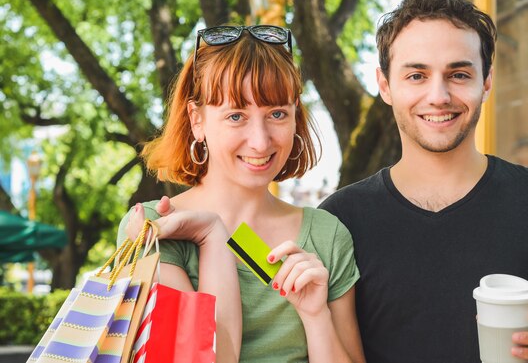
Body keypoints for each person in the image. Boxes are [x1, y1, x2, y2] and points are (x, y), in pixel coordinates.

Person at [319, 0, 528, 362]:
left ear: (486, 81)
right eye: (416, 75)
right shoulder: (340, 220)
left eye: (459, 74)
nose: (439, 96)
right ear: (385, 85)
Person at [117, 25, 365, 363]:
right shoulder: (153, 229)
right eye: (236, 116)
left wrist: (315, 315)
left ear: (295, 116)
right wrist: (211, 236)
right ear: (197, 120)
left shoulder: (326, 235)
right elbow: (210, 359)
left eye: (277, 114)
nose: (260, 141)